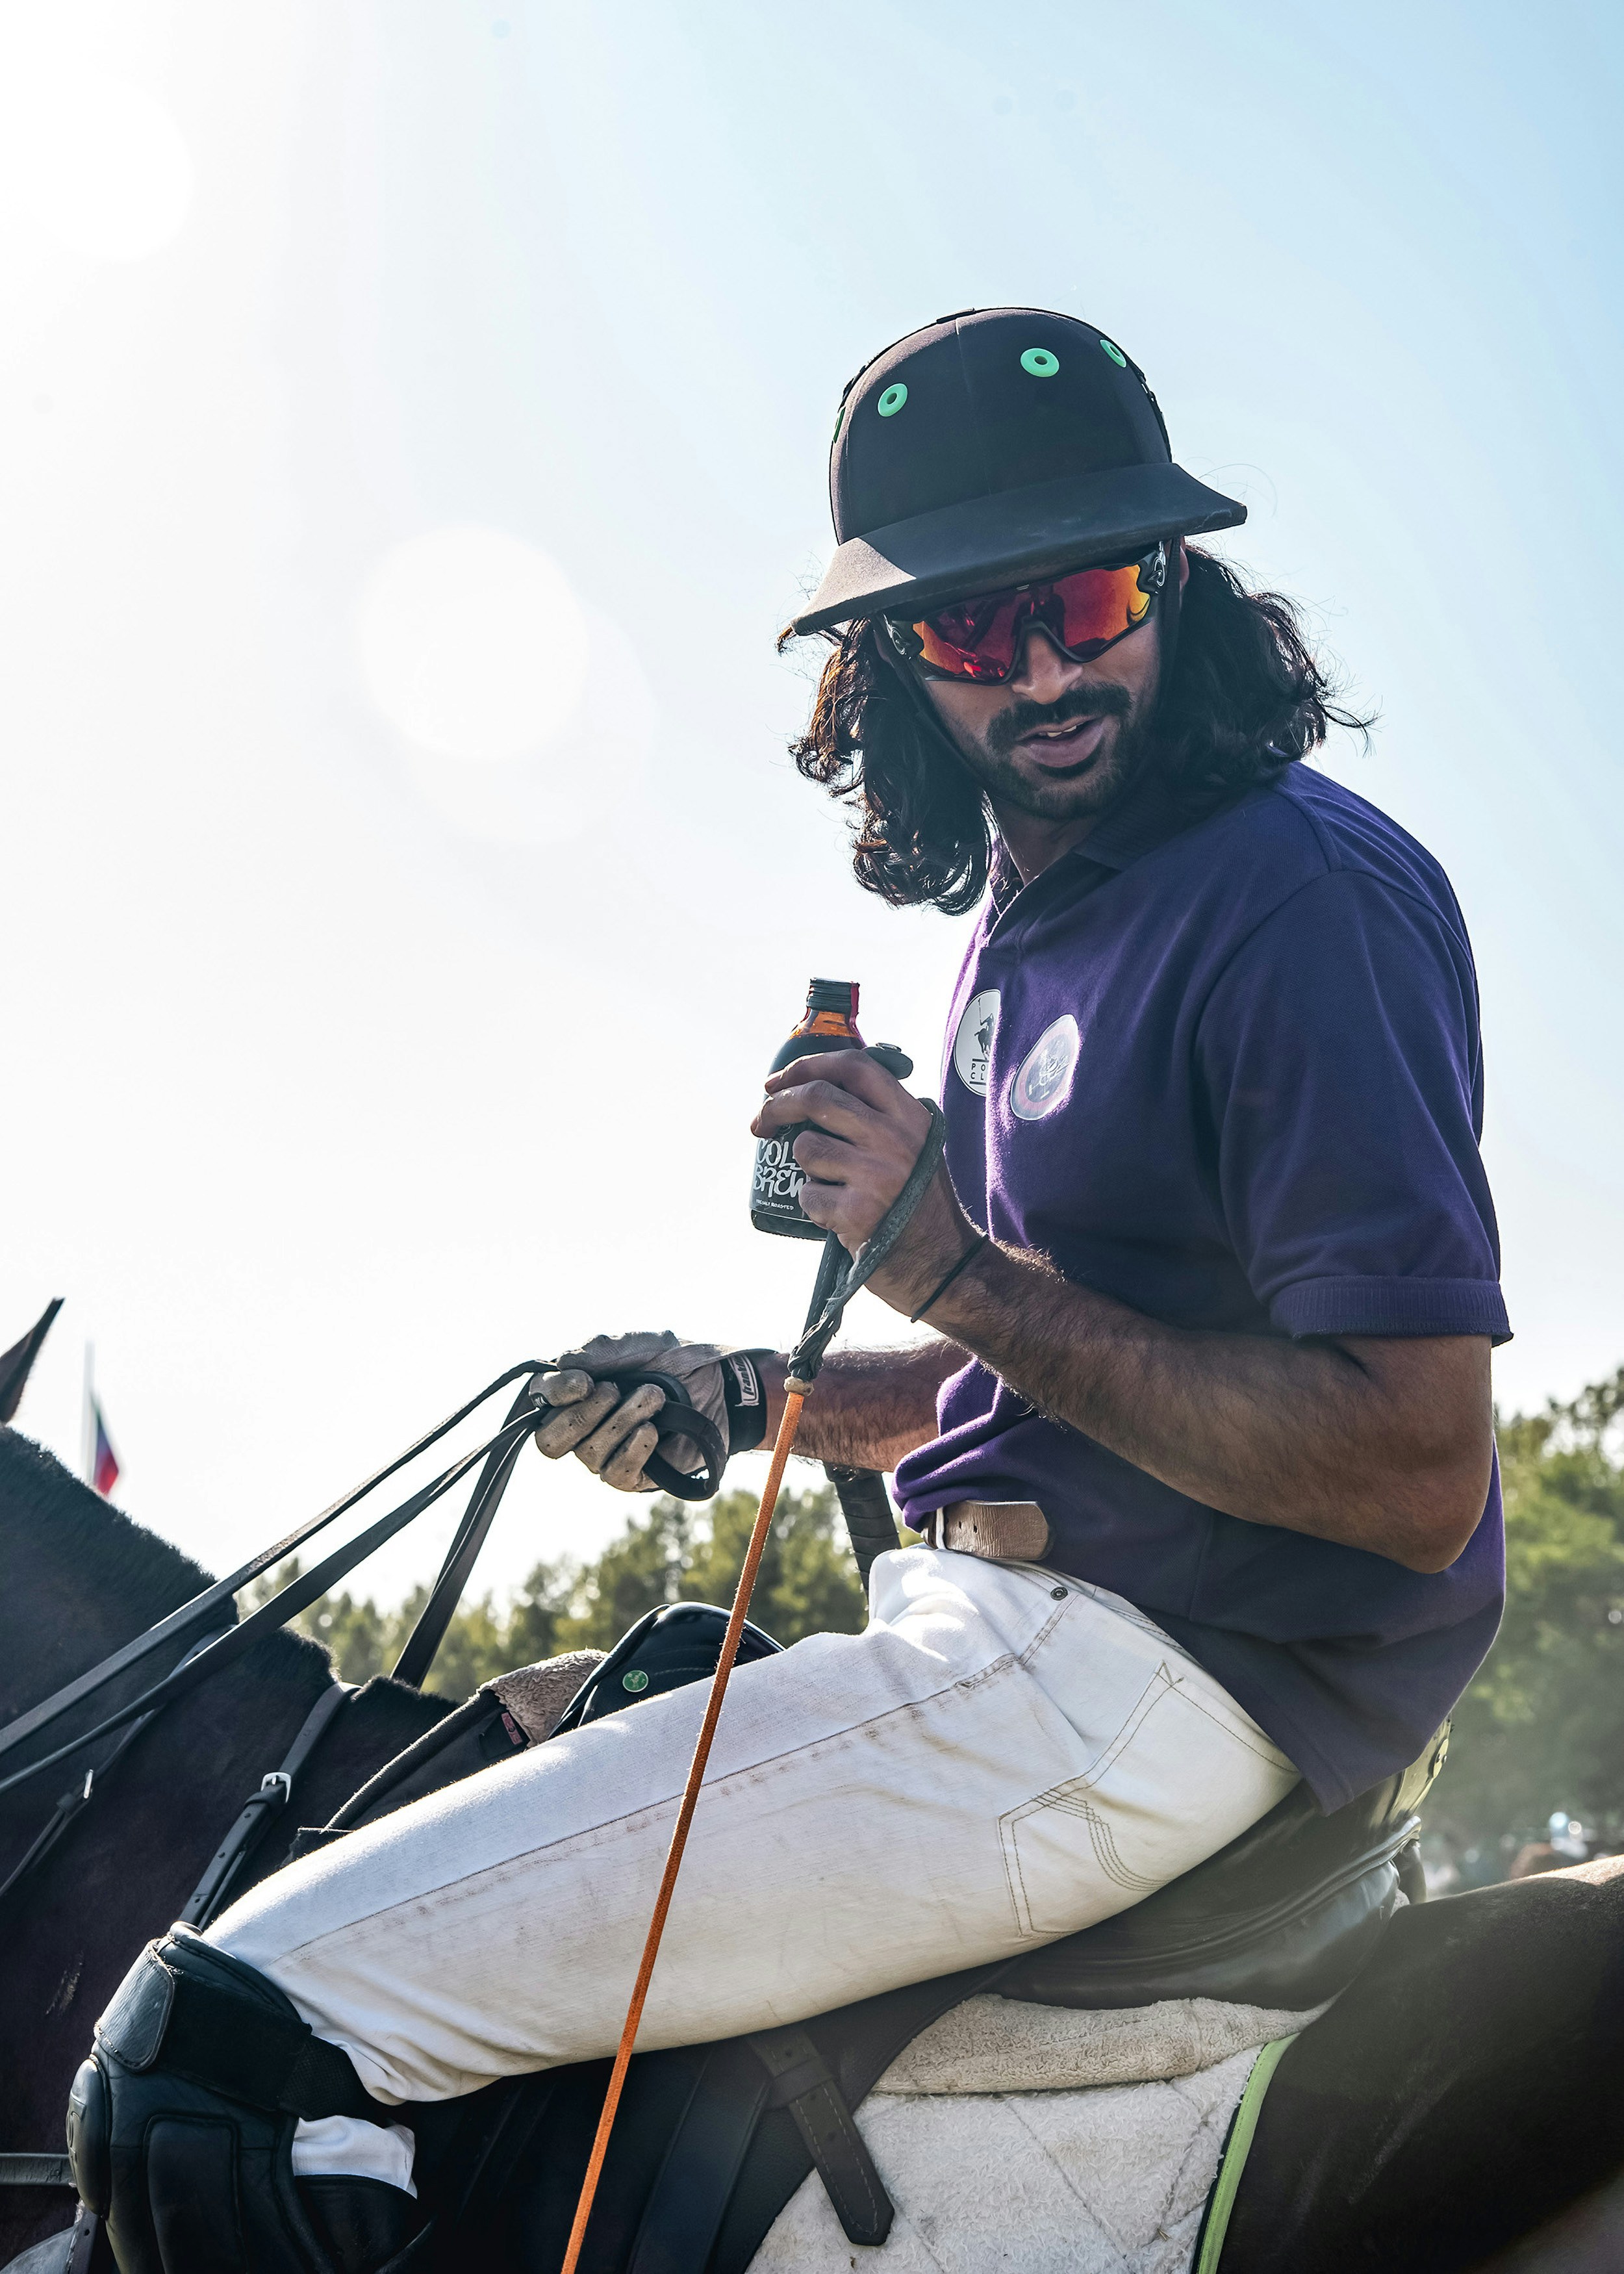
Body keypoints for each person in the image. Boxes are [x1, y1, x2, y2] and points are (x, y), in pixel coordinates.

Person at [80, 309, 1508, 2272]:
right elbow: (1061, 1379)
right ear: (891, 666)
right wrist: (754, 1397)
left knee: (212, 2049)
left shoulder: (1295, 895)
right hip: (1007, 1626)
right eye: (966, 630)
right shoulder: (1036, 909)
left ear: (1171, 581)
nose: (1045, 665)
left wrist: (935, 1253)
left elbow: (1408, 1464)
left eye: (1086, 595)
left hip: (1158, 1683)